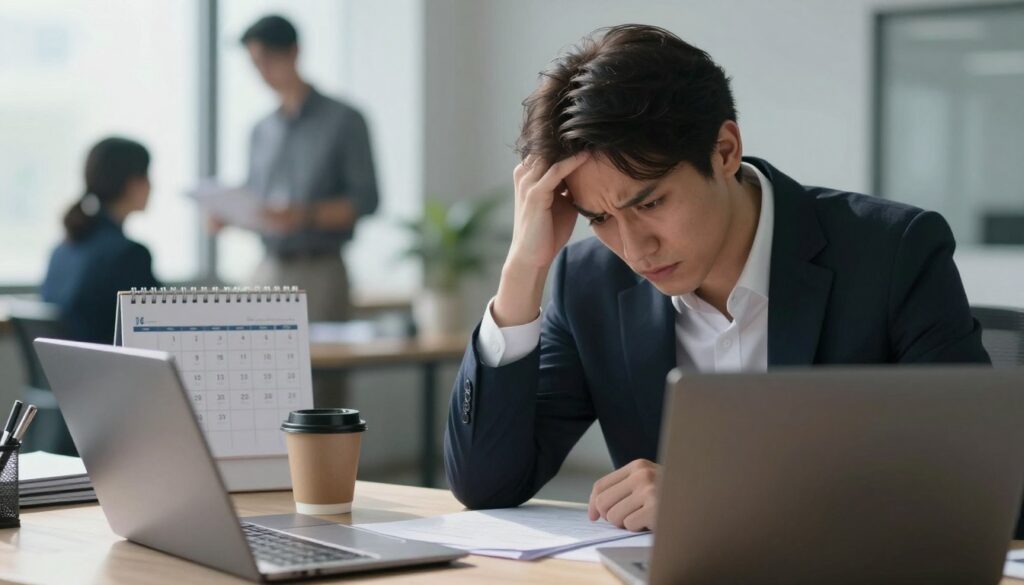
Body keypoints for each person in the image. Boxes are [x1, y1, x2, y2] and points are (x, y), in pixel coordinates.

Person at [443, 25, 989, 533]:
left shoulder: (892, 252)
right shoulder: (586, 283)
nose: (634, 249)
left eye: (651, 201)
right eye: (601, 218)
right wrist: (523, 272)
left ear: (725, 150)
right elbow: (488, 485)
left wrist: (717, 496)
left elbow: (972, 471)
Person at [217, 14, 378, 322]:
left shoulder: (344, 120)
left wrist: (303, 215)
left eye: (267, 60)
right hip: (269, 267)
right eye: (254, 64)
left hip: (320, 270)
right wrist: (230, 215)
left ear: (293, 52)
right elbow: (259, 206)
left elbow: (366, 200)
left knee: (322, 367)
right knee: (254, 365)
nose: (261, 73)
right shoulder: (260, 131)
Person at [42, 137, 161, 343]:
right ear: (133, 183)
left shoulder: (62, 250)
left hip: (71, 373)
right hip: (114, 372)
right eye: (147, 175)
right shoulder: (128, 255)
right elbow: (162, 323)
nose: (152, 185)